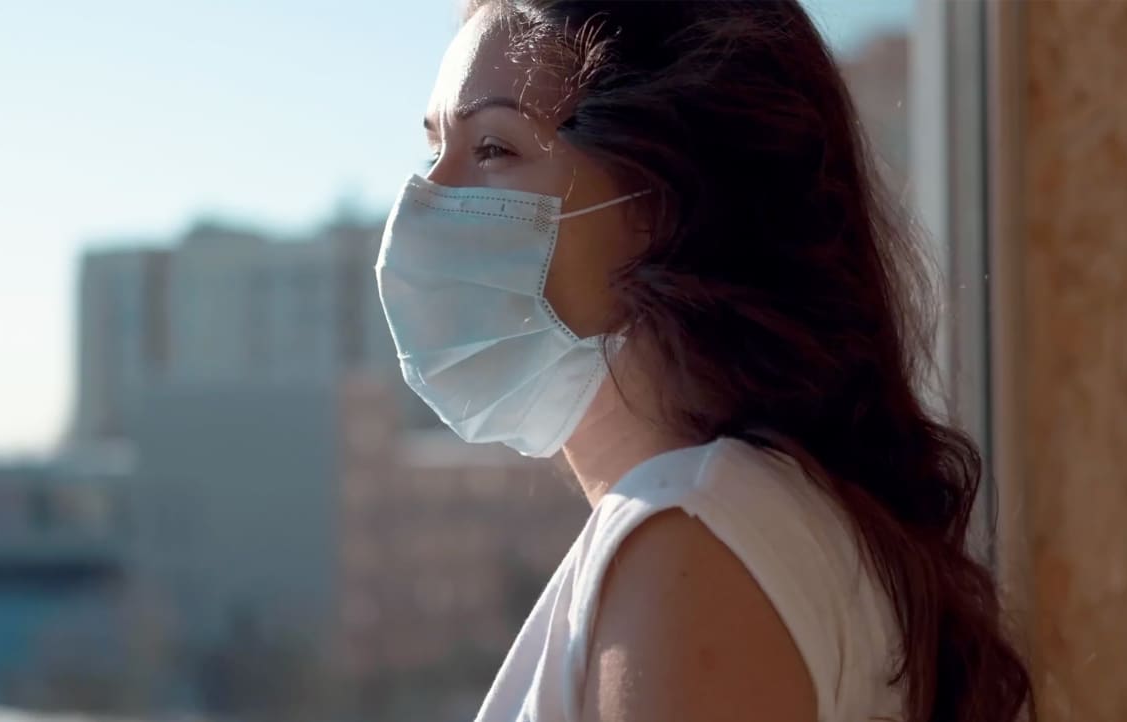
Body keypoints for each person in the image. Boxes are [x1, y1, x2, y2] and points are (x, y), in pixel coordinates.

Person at [374, 2, 1033, 721]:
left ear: (661, 200)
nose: (427, 199)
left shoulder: (691, 544)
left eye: (494, 148)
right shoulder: (751, 517)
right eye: (434, 148)